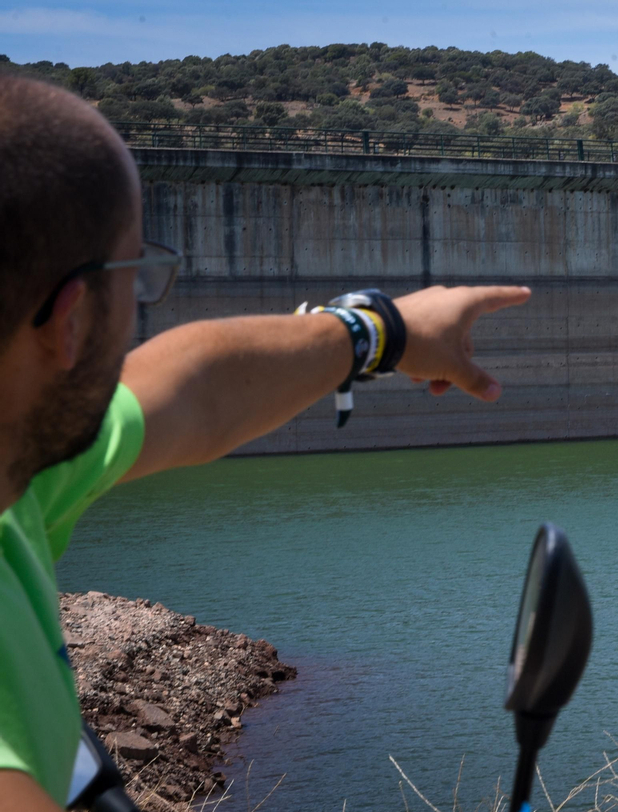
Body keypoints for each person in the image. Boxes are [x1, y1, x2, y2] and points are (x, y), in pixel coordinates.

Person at [0, 75, 532, 810]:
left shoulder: (21, 473)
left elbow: (196, 391)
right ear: (72, 319)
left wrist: (380, 331)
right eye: (137, 275)